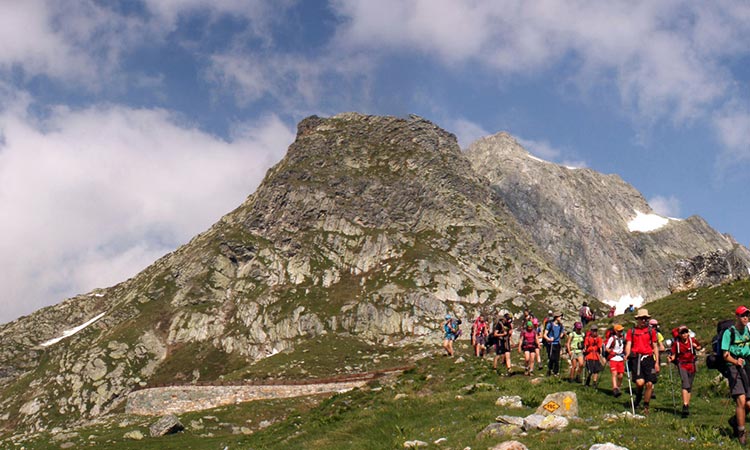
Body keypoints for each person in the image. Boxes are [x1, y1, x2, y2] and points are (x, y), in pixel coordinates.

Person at [722, 305, 750, 445]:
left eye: (747, 315)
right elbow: (725, 355)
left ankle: (734, 421)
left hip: (746, 366)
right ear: (737, 317)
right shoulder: (729, 333)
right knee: (741, 400)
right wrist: (736, 361)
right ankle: (741, 433)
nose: (745, 317)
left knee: (749, 404)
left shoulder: (747, 331)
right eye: (742, 315)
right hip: (733, 367)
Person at [625, 308, 660, 414]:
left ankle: (646, 406)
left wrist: (657, 362)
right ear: (638, 319)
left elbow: (655, 346)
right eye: (641, 318)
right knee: (640, 383)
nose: (644, 320)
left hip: (649, 358)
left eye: (645, 318)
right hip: (637, 358)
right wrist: (627, 354)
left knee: (649, 384)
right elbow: (629, 344)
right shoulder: (632, 331)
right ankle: (639, 395)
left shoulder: (651, 332)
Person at [669, 325, 701, 417]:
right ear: (679, 334)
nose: (684, 334)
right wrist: (671, 358)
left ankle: (687, 405)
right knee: (685, 384)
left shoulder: (692, 340)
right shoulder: (677, 344)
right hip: (682, 364)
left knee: (689, 387)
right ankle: (685, 405)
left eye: (686, 332)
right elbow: (674, 355)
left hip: (692, 364)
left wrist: (695, 346)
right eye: (682, 333)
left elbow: (699, 347)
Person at [606, 324, 626, 397]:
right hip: (613, 358)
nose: (621, 332)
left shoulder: (623, 338)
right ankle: (615, 389)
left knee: (620, 375)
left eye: (621, 330)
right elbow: (607, 348)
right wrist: (612, 352)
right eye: (619, 331)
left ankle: (618, 387)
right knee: (614, 373)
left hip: (620, 358)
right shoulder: (612, 338)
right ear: (615, 331)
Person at [543, 312, 566, 376]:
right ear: (556, 317)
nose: (561, 318)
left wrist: (563, 334)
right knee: (551, 358)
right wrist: (549, 339)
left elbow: (561, 335)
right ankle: (550, 369)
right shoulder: (550, 325)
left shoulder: (561, 326)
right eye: (560, 316)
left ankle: (556, 372)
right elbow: (544, 335)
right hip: (551, 344)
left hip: (557, 343)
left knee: (557, 359)